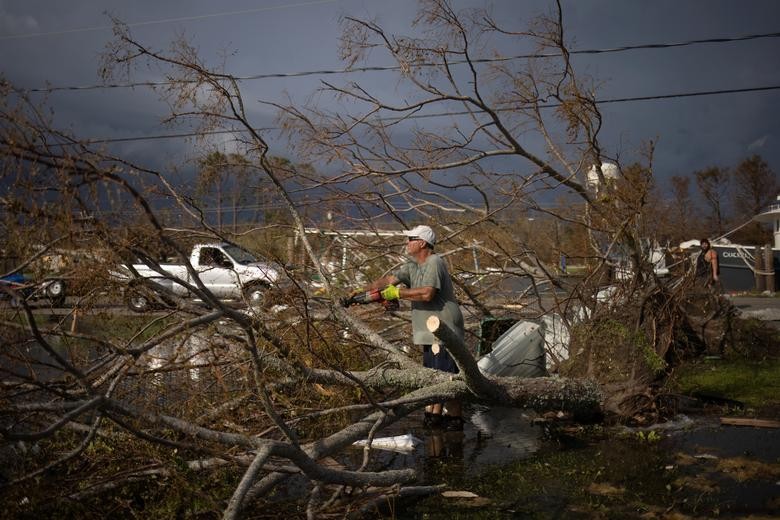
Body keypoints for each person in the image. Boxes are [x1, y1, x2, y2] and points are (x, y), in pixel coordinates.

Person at [358, 224, 466, 430]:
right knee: (431, 378)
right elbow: (388, 281)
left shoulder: (434, 262)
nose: (406, 243)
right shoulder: (412, 265)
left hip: (445, 330)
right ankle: (433, 422)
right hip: (427, 331)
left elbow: (427, 294)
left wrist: (396, 294)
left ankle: (454, 427)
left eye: (410, 239)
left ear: (422, 243)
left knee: (447, 381)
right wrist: (361, 292)